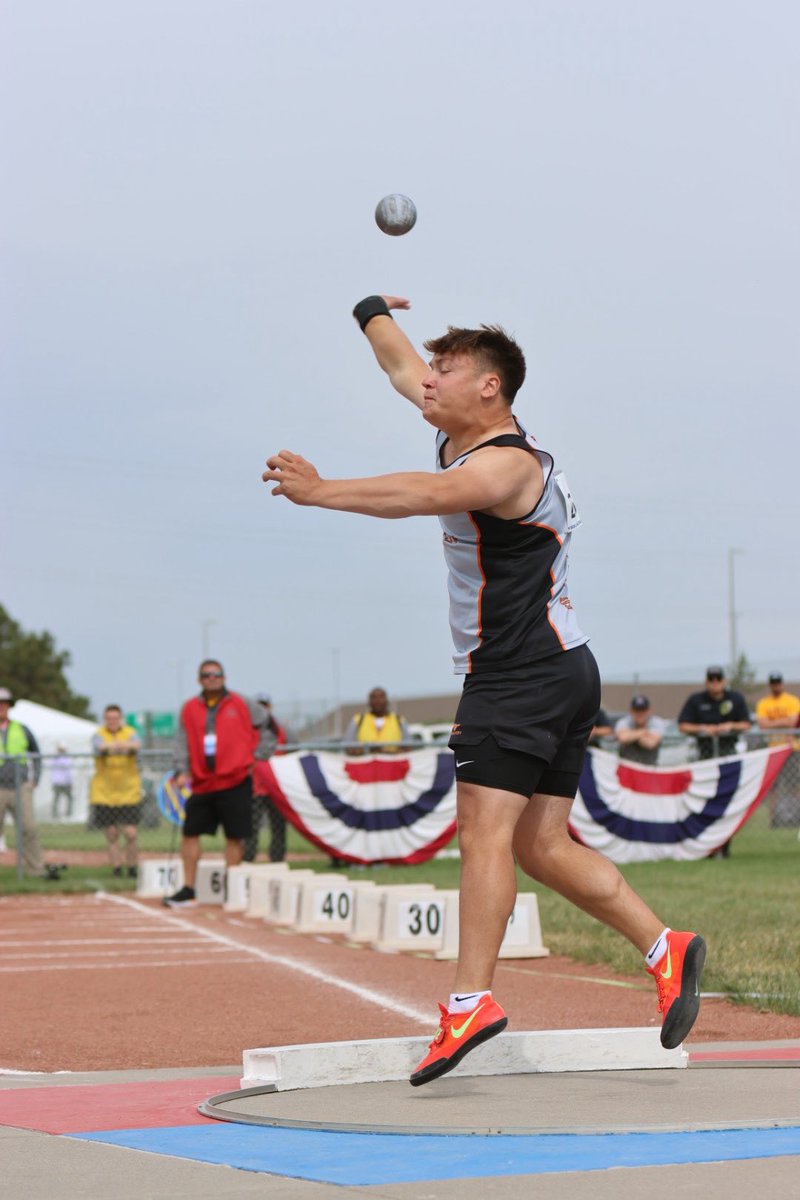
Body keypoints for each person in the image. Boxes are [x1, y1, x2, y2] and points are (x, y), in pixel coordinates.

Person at [261, 291, 706, 1085]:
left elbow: (420, 498)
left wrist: (319, 490)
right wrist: (369, 309)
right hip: (562, 667)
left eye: (447, 371)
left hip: (518, 673)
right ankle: (665, 948)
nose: (428, 381)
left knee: (485, 837)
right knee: (537, 845)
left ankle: (472, 1002)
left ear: (490, 388)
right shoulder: (459, 431)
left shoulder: (504, 465)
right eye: (432, 369)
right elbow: (399, 365)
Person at [164, 660, 275, 907]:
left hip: (235, 779)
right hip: (203, 781)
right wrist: (182, 771)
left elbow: (270, 727)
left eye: (216, 674)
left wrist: (257, 757)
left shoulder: (242, 703)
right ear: (199, 679)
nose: (211, 678)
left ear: (224, 677)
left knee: (234, 836)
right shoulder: (189, 708)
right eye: (206, 675)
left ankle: (231, 890)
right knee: (190, 833)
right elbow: (181, 742)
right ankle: (188, 889)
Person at [0, 686, 61, 879]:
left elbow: (36, 753)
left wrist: (36, 778)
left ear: (9, 706)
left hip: (20, 786)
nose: (1, 708)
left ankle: (36, 869)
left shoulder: (21, 728)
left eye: (4, 704)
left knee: (29, 828)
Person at [89, 705, 143, 878]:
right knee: (111, 833)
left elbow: (136, 744)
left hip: (128, 791)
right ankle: (117, 868)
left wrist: (115, 746)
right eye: (109, 718)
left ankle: (132, 867)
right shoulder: (98, 733)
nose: (112, 721)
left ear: (121, 719)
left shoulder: (130, 731)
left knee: (130, 833)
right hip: (104, 792)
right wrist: (121, 747)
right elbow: (99, 747)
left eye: (115, 718)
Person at [244, 693, 290, 863]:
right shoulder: (248, 728)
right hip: (255, 785)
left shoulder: (282, 729)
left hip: (276, 786)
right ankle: (248, 856)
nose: (263, 709)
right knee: (251, 825)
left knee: (278, 825)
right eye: (259, 706)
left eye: (265, 705)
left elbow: (293, 750)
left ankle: (277, 858)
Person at [755, 673, 800, 827]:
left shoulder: (792, 701)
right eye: (773, 683)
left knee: (794, 785)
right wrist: (784, 722)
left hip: (791, 749)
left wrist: (772, 722)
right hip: (772, 750)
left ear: (782, 684)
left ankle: (797, 817)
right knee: (772, 787)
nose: (776, 686)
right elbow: (762, 725)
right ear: (770, 685)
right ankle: (772, 820)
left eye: (778, 683)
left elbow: (793, 722)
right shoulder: (764, 703)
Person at [677, 667, 751, 759]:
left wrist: (729, 726)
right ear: (706, 682)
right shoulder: (696, 699)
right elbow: (683, 726)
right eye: (711, 679)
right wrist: (704, 729)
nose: (715, 682)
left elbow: (746, 724)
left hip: (729, 751)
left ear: (724, 681)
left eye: (718, 678)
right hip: (704, 752)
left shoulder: (735, 698)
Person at [343, 687, 410, 754]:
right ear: (369, 702)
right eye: (374, 698)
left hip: (392, 762)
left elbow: (408, 747)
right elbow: (348, 747)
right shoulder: (358, 720)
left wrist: (388, 753)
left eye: (381, 697)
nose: (378, 701)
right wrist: (367, 751)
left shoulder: (399, 720)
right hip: (366, 762)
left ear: (387, 701)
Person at [614, 695, 666, 765]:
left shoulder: (657, 722)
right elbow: (623, 738)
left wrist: (631, 735)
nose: (640, 714)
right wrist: (644, 732)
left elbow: (650, 744)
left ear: (648, 711)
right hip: (626, 767)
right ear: (631, 711)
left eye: (643, 710)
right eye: (637, 710)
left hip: (649, 767)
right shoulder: (624, 721)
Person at [50, 745, 74, 818]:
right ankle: (56, 814)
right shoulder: (57, 758)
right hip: (59, 782)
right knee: (57, 799)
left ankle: (67, 814)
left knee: (68, 798)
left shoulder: (62, 758)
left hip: (64, 782)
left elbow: (68, 771)